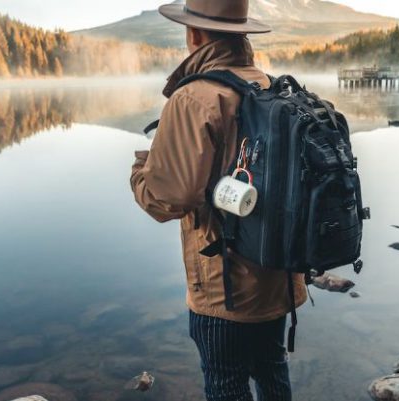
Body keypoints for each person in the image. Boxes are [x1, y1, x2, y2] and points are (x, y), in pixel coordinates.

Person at [130, 1, 307, 400]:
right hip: (278, 273)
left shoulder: (194, 97)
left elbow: (166, 200)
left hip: (223, 287)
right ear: (242, 32)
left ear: (194, 34)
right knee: (272, 371)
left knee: (225, 384)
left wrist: (140, 170)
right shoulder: (268, 83)